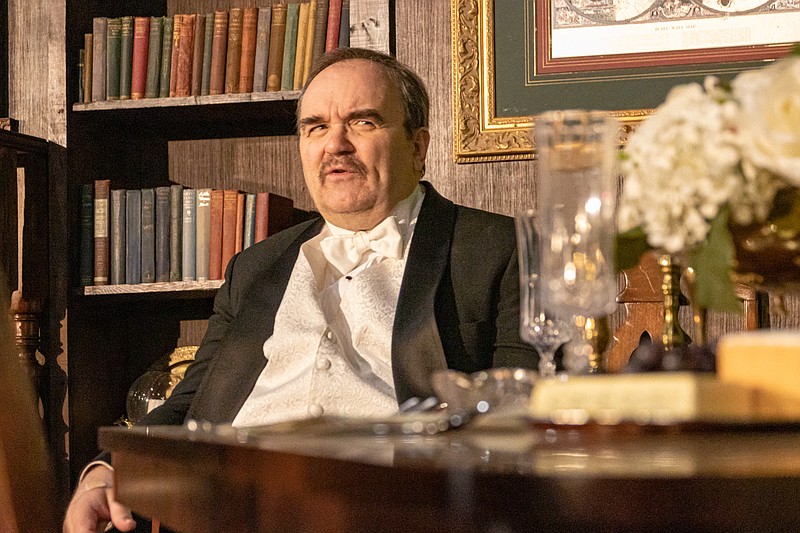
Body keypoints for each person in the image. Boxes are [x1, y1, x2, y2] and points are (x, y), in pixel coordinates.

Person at [63, 47, 537, 533]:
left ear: (418, 146)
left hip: (396, 511)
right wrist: (104, 472)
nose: (336, 144)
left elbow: (517, 416)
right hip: (230, 510)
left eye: (363, 122)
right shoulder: (255, 268)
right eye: (315, 127)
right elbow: (191, 405)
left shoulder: (498, 249)